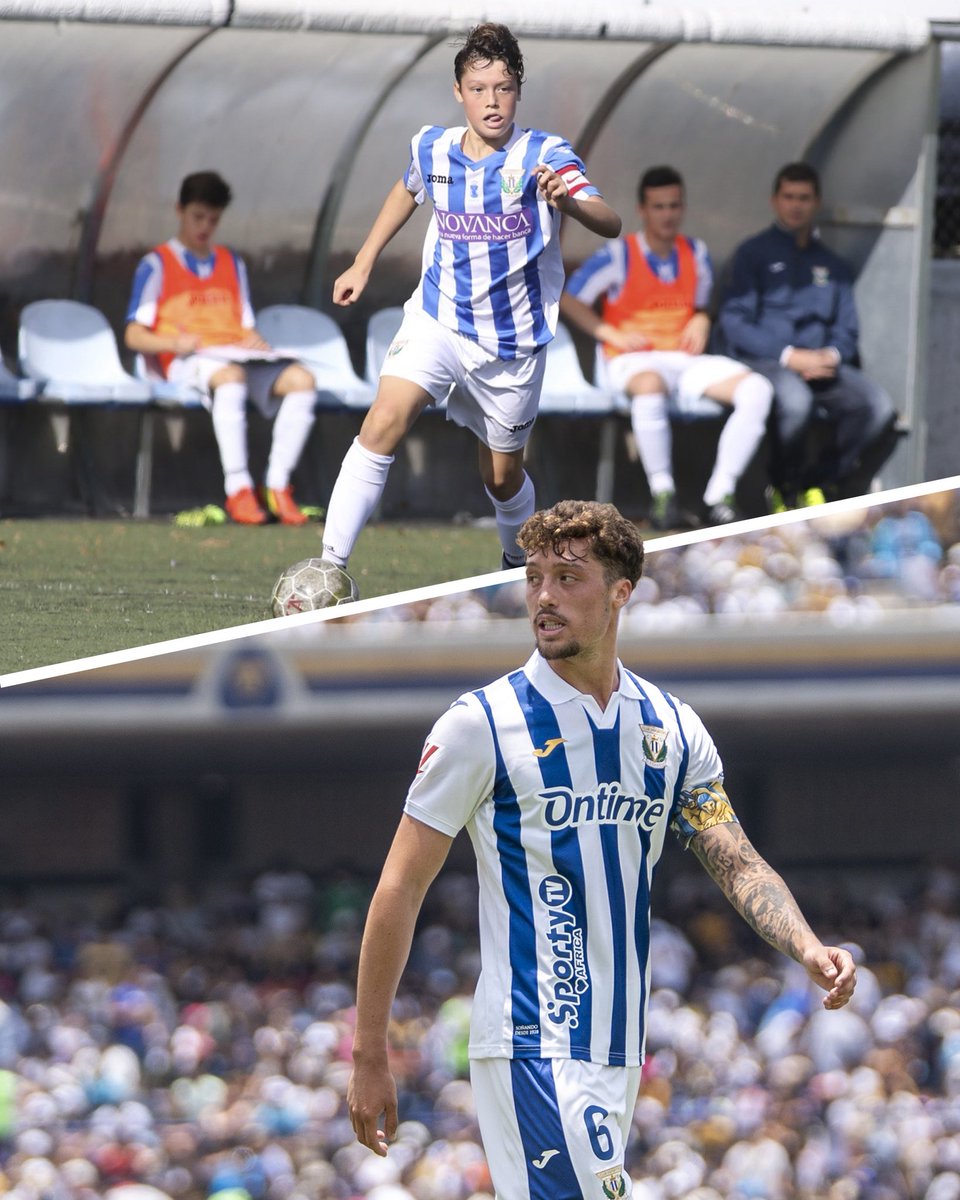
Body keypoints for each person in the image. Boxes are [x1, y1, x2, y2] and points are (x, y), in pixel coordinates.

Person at [348, 498, 857, 1200]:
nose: (544, 596)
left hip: (619, 1051)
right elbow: (399, 889)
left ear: (622, 592)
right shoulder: (481, 724)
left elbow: (733, 856)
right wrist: (369, 1052)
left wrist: (806, 946)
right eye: (533, 577)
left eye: (568, 576)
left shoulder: (671, 728)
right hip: (532, 1042)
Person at [318, 23, 621, 591]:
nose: (492, 101)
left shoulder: (545, 154)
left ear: (518, 91)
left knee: (502, 477)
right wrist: (363, 261)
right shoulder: (430, 145)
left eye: (503, 88)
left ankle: (514, 565)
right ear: (459, 92)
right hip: (438, 318)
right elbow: (408, 189)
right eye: (479, 89)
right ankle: (329, 564)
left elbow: (609, 219)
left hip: (511, 343)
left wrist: (569, 201)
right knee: (383, 419)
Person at [561, 166, 774, 529]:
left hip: (685, 360)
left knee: (759, 389)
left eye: (674, 206)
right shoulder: (619, 254)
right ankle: (663, 495)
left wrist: (703, 318)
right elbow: (569, 299)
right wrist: (609, 333)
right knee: (651, 385)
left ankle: (718, 497)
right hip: (634, 361)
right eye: (659, 207)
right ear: (643, 210)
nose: (668, 214)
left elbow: (702, 305)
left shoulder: (696, 251)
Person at [124, 171, 318, 526]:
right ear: (179, 210)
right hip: (188, 361)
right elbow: (134, 335)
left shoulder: (232, 262)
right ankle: (238, 489)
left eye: (213, 219)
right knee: (229, 377)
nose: (205, 227)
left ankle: (276, 486)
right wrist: (174, 342)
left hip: (235, 356)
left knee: (302, 380)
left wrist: (253, 340)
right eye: (198, 217)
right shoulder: (157, 264)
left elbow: (244, 324)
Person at [717, 161, 899, 511]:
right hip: (768, 362)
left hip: (821, 365)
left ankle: (818, 481)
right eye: (789, 197)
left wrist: (830, 356)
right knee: (796, 401)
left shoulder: (833, 266)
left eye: (804, 197)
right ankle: (782, 487)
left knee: (876, 407)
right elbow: (735, 323)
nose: (796, 205)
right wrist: (788, 356)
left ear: (816, 203)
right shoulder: (752, 254)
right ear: (775, 201)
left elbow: (847, 331)